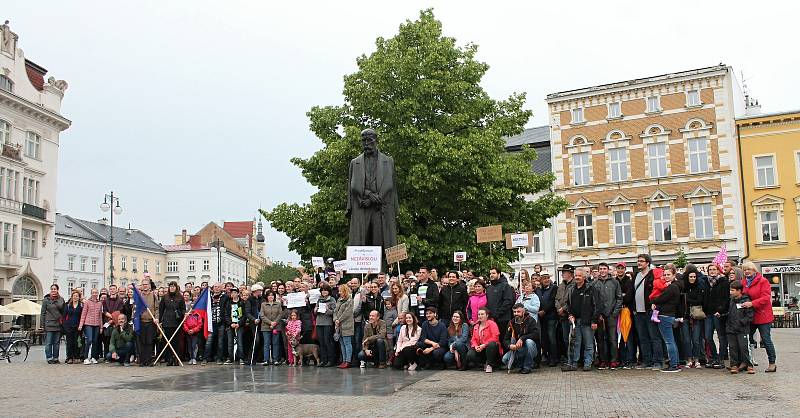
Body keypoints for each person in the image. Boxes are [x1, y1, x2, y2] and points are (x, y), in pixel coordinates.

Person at [740, 261, 777, 372]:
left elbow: (766, 298)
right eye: (744, 270)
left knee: (766, 339)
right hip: (750, 316)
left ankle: (772, 363)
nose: (746, 272)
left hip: (762, 315)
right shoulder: (743, 282)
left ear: (754, 270)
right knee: (747, 339)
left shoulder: (763, 281)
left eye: (748, 269)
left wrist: (752, 303)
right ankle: (747, 361)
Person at [632, 255, 663, 370]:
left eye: (641, 261)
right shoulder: (636, 275)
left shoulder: (653, 274)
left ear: (648, 263)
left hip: (650, 311)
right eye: (638, 261)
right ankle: (647, 361)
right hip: (638, 312)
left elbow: (658, 291)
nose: (639, 263)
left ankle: (658, 361)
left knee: (654, 337)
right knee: (643, 338)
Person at [562, 268, 596, 372]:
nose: (577, 277)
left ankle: (588, 363)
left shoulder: (591, 288)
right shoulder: (571, 289)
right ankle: (573, 363)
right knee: (575, 344)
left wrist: (594, 321)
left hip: (587, 321)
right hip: (575, 322)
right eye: (576, 275)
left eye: (579, 276)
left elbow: (596, 305)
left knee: (588, 344)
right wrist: (570, 314)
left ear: (584, 277)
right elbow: (568, 304)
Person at [650, 266, 681, 373]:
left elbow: (661, 299)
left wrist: (653, 301)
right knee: (671, 341)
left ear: (674, 275)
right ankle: (675, 362)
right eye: (665, 274)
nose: (666, 277)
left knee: (669, 341)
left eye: (669, 275)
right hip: (668, 315)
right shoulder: (672, 286)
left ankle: (673, 365)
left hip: (665, 315)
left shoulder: (672, 287)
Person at [592, 262, 623, 369]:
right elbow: (593, 301)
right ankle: (603, 361)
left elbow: (619, 298)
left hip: (611, 315)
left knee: (613, 339)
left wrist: (615, 312)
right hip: (600, 316)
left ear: (608, 270)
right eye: (601, 269)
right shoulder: (594, 283)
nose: (602, 271)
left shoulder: (614, 283)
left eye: (604, 268)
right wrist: (597, 314)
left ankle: (614, 360)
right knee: (600, 339)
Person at [703, 264, 729, 369]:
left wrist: (720, 310)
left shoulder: (723, 282)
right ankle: (713, 357)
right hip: (708, 313)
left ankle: (721, 359)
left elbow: (726, 298)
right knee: (708, 337)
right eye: (710, 270)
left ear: (718, 271)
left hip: (718, 313)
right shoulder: (705, 282)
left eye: (714, 269)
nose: (712, 271)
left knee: (721, 337)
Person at [726, 281, 755, 374]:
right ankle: (734, 364)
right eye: (730, 290)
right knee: (732, 347)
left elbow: (750, 315)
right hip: (731, 328)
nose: (731, 292)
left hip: (742, 329)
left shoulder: (746, 301)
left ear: (739, 291)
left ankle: (749, 364)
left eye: (733, 290)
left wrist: (741, 322)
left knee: (744, 347)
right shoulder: (730, 301)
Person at [502, 303, 540, 374]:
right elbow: (505, 339)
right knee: (505, 359)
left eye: (518, 312)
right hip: (518, 349)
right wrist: (509, 345)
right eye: (514, 312)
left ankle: (527, 366)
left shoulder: (531, 320)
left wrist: (522, 338)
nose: (516, 314)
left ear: (523, 312)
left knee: (529, 342)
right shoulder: (511, 323)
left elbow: (536, 335)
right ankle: (521, 365)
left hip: (531, 348)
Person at [158, 281, 186, 367]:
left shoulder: (180, 297)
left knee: (176, 341)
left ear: (176, 288)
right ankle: (169, 358)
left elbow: (183, 309)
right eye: (171, 286)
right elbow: (161, 310)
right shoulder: (165, 297)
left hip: (177, 322)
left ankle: (176, 358)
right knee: (168, 341)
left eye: (174, 286)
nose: (172, 288)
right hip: (167, 322)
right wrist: (160, 321)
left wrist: (183, 314)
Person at [486, 268, 515, 349]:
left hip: (503, 319)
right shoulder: (489, 288)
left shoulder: (505, 286)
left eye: (493, 273)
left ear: (499, 274)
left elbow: (508, 301)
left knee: (503, 340)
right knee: (493, 340)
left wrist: (498, 313)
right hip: (492, 320)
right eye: (490, 273)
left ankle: (504, 360)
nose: (491, 275)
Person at [466, 308, 501, 373]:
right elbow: (473, 339)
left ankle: (490, 364)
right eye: (479, 314)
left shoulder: (492, 323)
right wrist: (476, 346)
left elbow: (495, 337)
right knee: (470, 355)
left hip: (491, 348)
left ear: (487, 315)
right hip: (480, 348)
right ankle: (484, 363)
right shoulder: (476, 325)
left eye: (482, 314)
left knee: (492, 344)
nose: (480, 316)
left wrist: (484, 345)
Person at [135, 277, 160, 367]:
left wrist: (156, 318)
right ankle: (142, 360)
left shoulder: (153, 295)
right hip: (141, 321)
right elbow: (135, 309)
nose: (145, 286)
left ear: (149, 286)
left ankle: (149, 360)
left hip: (150, 322)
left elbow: (157, 308)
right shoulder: (139, 296)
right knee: (142, 342)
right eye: (143, 284)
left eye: (146, 284)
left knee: (149, 341)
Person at [684, 269, 707, 368]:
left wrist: (688, 300)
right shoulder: (684, 287)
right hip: (685, 315)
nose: (692, 278)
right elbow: (683, 301)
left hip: (697, 315)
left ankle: (697, 358)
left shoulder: (700, 286)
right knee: (686, 339)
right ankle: (689, 359)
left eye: (694, 277)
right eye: (690, 277)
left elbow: (700, 300)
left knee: (696, 339)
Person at [536, 272, 558, 367]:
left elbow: (553, 301)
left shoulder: (554, 288)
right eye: (544, 278)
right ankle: (546, 355)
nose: (546, 280)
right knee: (544, 338)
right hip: (541, 318)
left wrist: (544, 310)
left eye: (548, 278)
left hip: (551, 316)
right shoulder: (538, 290)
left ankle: (554, 358)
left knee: (551, 337)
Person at [556, 264, 575, 364]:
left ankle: (574, 359)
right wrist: (558, 308)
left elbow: (573, 301)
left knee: (573, 338)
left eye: (565, 272)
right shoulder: (561, 285)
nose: (562, 274)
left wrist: (563, 308)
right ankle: (568, 358)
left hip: (571, 315)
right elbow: (557, 298)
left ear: (570, 273)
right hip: (562, 317)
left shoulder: (575, 284)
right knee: (565, 339)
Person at [203, 283, 226, 365]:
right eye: (215, 287)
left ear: (221, 288)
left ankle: (219, 358)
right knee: (208, 342)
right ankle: (205, 358)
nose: (217, 288)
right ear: (213, 288)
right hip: (210, 323)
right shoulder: (209, 297)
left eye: (218, 287)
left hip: (220, 323)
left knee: (220, 342)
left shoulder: (224, 297)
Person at [41, 284, 65, 364]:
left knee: (56, 343)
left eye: (55, 289)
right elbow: (43, 313)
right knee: (48, 342)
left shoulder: (61, 300)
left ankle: (55, 357)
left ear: (57, 290)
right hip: (49, 324)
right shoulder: (46, 300)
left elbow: (64, 312)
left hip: (58, 324)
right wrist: (42, 324)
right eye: (52, 289)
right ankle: (49, 357)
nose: (53, 290)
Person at [79, 287, 103, 365]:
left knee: (95, 341)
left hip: (97, 324)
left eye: (96, 293)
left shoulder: (100, 303)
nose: (95, 294)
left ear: (98, 293)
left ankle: (93, 357)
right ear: (91, 293)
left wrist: (101, 326)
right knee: (89, 340)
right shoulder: (87, 302)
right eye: (93, 292)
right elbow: (83, 313)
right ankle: (85, 357)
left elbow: (100, 316)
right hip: (88, 323)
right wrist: (81, 325)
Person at [259, 290, 283, 366]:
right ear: (267, 296)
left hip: (276, 326)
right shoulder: (263, 304)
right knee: (266, 343)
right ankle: (266, 360)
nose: (271, 297)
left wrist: (274, 323)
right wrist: (270, 322)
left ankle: (275, 359)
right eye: (269, 295)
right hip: (266, 327)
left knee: (275, 343)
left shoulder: (278, 304)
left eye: (272, 295)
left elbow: (280, 314)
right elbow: (262, 315)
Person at [222, 287, 246, 364]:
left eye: (235, 292)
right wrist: (230, 323)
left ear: (238, 293)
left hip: (239, 325)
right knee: (230, 342)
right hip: (230, 325)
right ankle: (230, 357)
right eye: (232, 293)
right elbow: (226, 315)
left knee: (240, 341)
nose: (233, 294)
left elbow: (244, 315)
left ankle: (241, 357)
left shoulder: (242, 303)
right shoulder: (228, 303)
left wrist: (239, 323)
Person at [315, 283, 337, 367]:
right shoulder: (319, 299)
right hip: (319, 322)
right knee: (322, 342)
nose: (324, 292)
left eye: (325, 290)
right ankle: (323, 360)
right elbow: (315, 312)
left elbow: (335, 311)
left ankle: (331, 360)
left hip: (328, 323)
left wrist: (328, 310)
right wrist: (315, 310)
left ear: (329, 291)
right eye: (322, 290)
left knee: (328, 341)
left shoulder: (332, 299)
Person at [334, 284, 355, 368]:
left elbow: (347, 313)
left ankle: (348, 360)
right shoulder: (339, 300)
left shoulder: (350, 300)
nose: (339, 293)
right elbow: (335, 311)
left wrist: (339, 320)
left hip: (347, 325)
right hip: (338, 325)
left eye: (341, 291)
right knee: (342, 343)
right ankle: (343, 360)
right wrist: (335, 319)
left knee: (347, 343)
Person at [62, 290, 83, 364]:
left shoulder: (81, 306)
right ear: (72, 297)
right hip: (69, 327)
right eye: (74, 296)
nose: (75, 297)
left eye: (77, 296)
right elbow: (63, 317)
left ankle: (76, 357)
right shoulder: (68, 305)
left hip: (77, 327)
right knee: (69, 343)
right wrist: (65, 326)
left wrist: (81, 325)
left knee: (77, 343)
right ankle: (70, 357)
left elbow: (82, 316)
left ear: (79, 297)